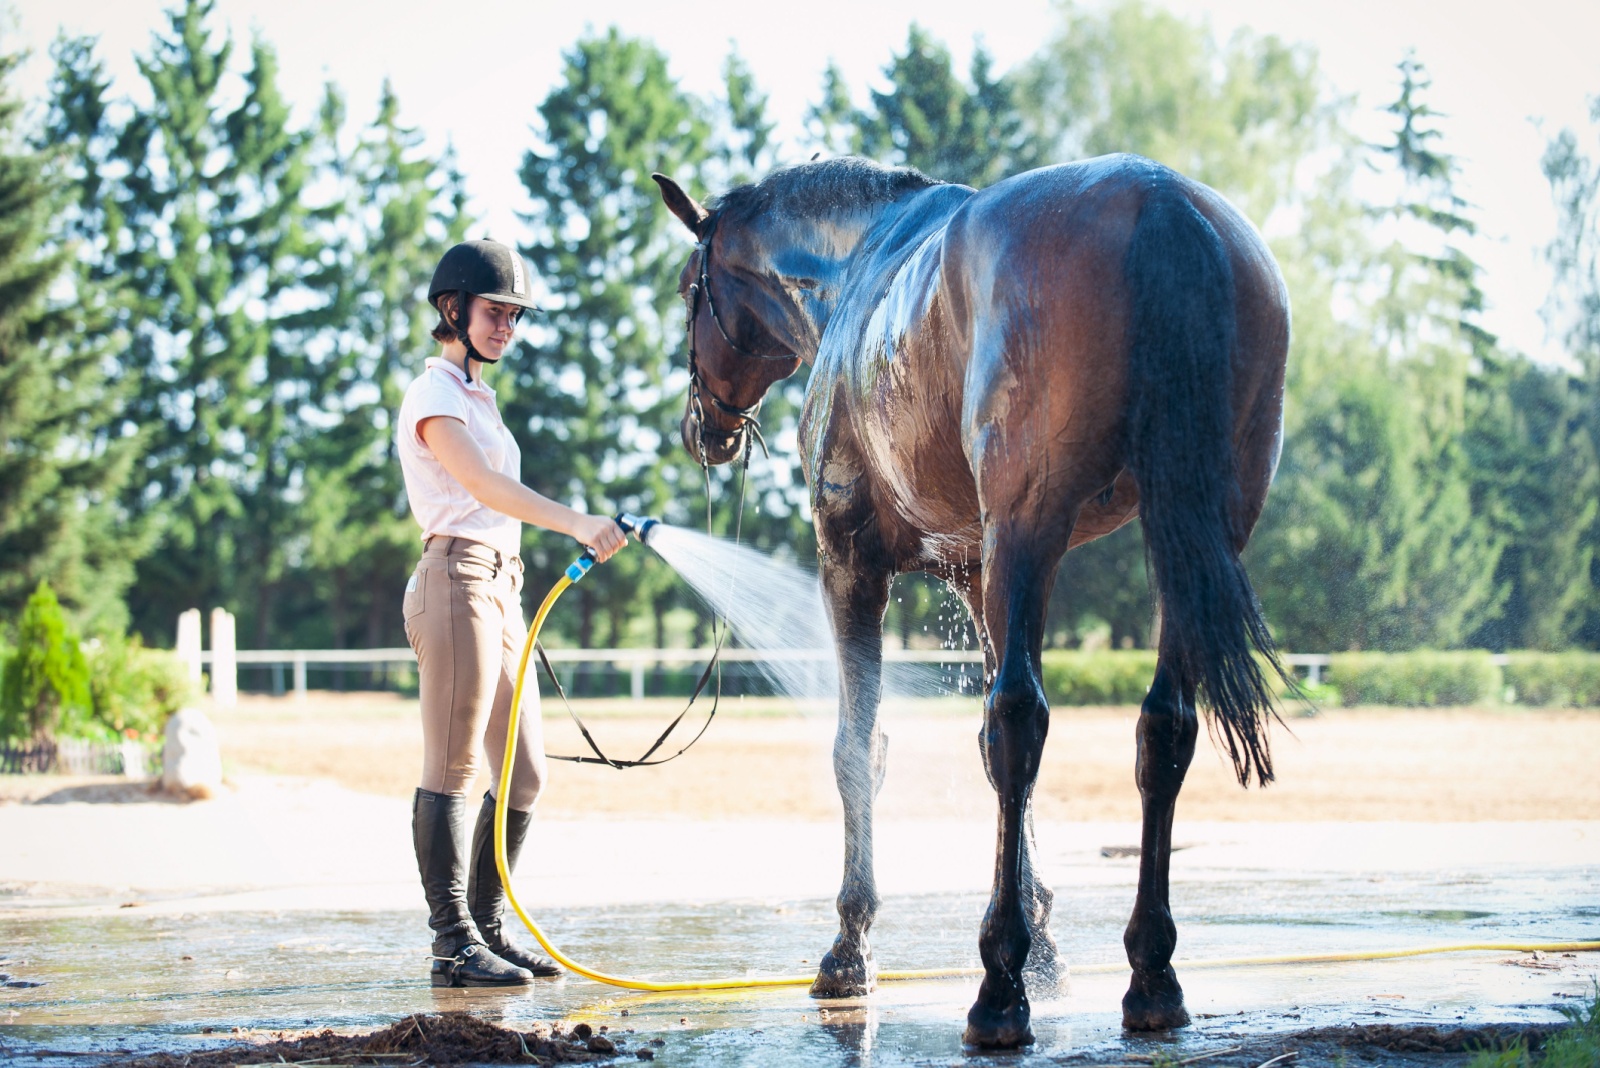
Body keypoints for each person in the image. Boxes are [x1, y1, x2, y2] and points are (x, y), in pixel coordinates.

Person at [396, 239, 627, 987]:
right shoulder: (433, 396)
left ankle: (487, 924)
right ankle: (451, 942)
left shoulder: (477, 399)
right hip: (457, 579)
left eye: (514, 316)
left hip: (501, 586)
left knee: (524, 774)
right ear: (453, 310)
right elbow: (485, 489)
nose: (507, 327)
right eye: (496, 312)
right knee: (455, 765)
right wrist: (575, 521)